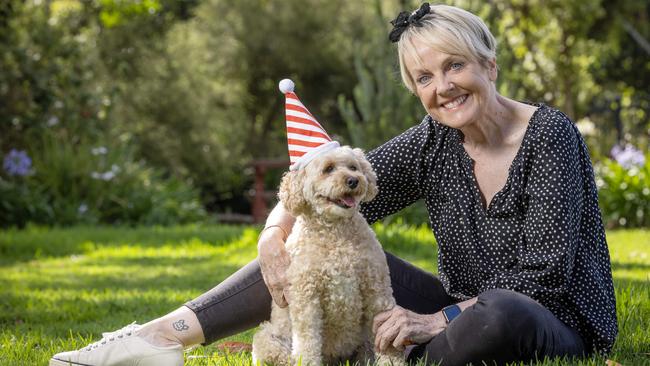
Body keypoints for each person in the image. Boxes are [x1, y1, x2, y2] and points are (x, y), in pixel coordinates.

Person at [49, 3, 617, 366]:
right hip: (457, 311)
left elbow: (543, 276)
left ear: (488, 65)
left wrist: (435, 319)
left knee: (497, 316)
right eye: (424, 77)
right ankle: (157, 340)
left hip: (548, 320)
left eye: (454, 67)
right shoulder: (434, 140)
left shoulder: (550, 135)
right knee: (313, 249)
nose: (442, 87)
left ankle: (414, 346)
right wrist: (273, 238)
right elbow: (323, 190)